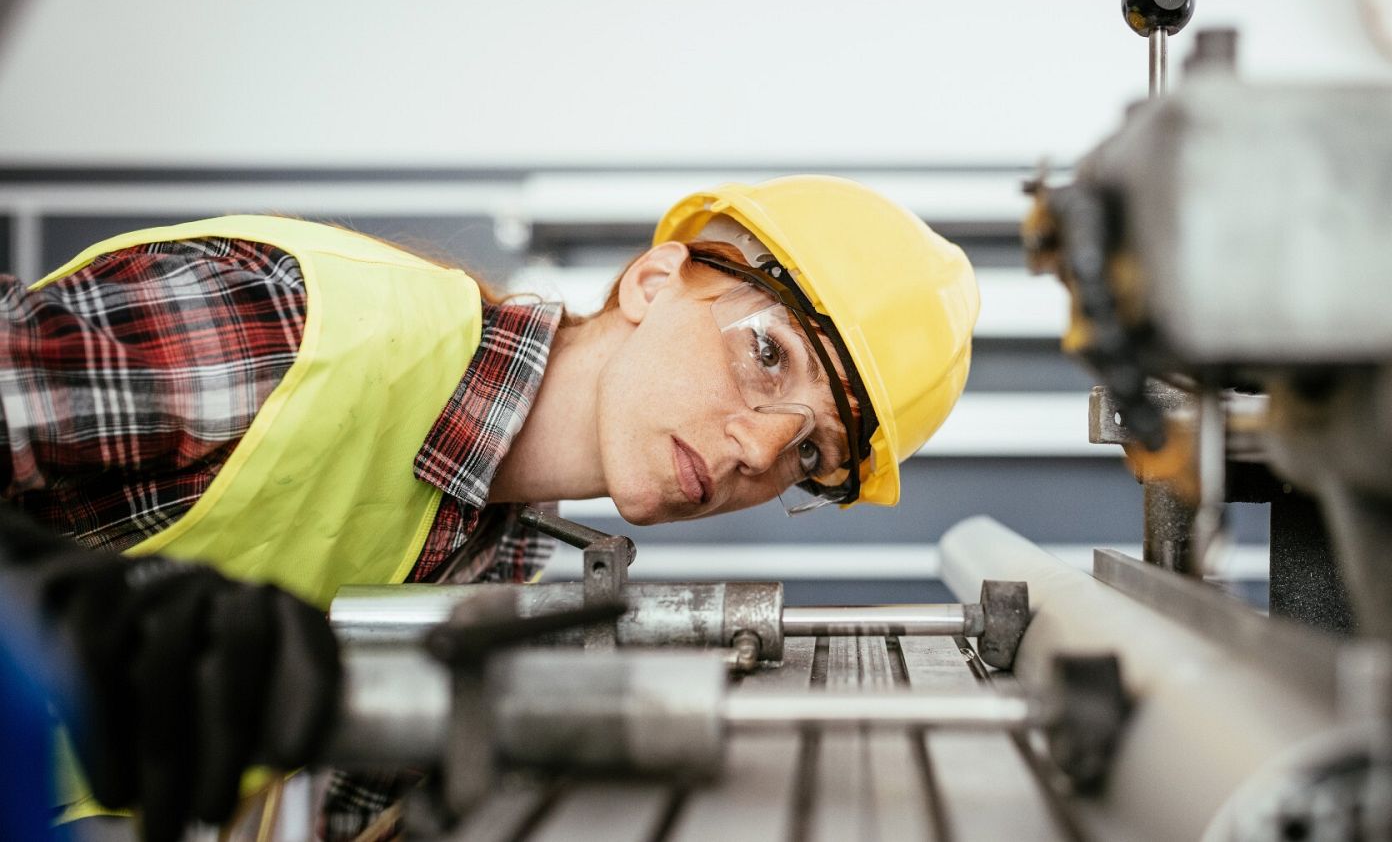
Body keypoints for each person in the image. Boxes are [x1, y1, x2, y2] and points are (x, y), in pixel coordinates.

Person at [0, 174, 980, 839]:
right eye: (767, 353)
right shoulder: (291, 328)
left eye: (812, 453)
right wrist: (54, 613)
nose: (761, 451)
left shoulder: (493, 560)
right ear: (652, 282)